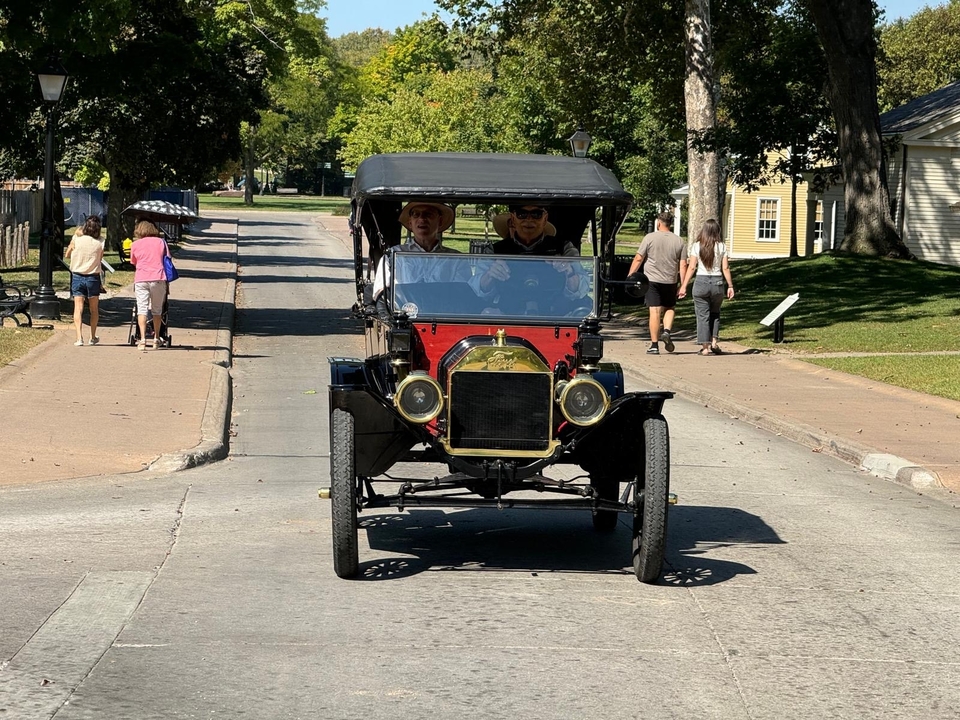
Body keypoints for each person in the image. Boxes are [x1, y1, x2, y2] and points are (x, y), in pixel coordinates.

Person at [475, 205, 587, 301]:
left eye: (536, 214)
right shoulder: (494, 251)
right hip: (506, 314)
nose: (529, 219)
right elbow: (478, 291)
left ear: (545, 219)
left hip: (554, 314)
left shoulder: (564, 248)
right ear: (513, 219)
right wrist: (490, 274)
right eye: (522, 214)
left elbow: (582, 291)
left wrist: (569, 271)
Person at [371, 201, 468, 300]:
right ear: (410, 223)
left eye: (428, 214)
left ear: (440, 221)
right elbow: (381, 293)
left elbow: (462, 295)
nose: (422, 219)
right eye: (416, 214)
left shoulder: (457, 259)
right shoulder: (392, 255)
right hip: (403, 314)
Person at [628, 211, 687, 355]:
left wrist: (630, 275)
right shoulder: (679, 241)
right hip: (670, 280)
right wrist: (683, 284)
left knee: (654, 310)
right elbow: (683, 265)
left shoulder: (649, 238)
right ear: (670, 224)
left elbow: (638, 258)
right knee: (669, 307)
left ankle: (654, 345)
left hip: (652, 280)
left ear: (658, 223)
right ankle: (666, 331)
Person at [679, 218, 735, 355]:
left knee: (702, 315)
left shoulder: (697, 246)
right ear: (717, 231)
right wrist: (730, 285)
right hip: (717, 283)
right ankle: (714, 341)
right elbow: (726, 268)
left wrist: (683, 286)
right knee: (715, 313)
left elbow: (692, 267)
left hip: (701, 282)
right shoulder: (721, 246)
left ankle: (705, 347)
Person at [64, 216, 105, 346]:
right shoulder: (100, 242)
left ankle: (79, 338)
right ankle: (92, 336)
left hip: (77, 275)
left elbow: (67, 255)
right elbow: (100, 257)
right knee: (94, 309)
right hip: (93, 277)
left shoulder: (76, 239)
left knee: (78, 308)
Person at [129, 220, 169, 351]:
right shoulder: (161, 242)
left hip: (141, 278)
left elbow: (133, 261)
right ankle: (157, 338)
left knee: (142, 309)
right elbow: (168, 258)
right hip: (158, 277)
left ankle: (142, 339)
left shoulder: (135, 244)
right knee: (157, 310)